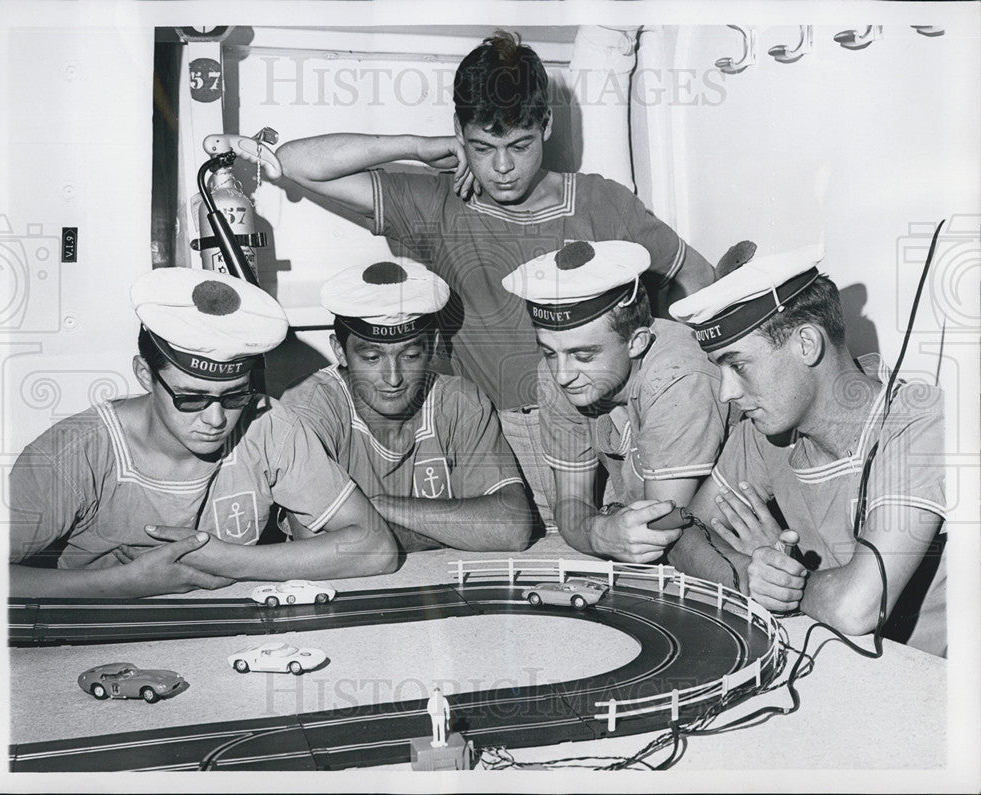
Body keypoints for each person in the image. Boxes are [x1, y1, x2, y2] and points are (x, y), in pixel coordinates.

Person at [248, 29, 714, 530]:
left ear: (547, 126)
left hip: (611, 424)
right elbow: (290, 162)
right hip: (500, 440)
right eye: (482, 147)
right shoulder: (437, 202)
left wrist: (655, 379)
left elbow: (698, 278)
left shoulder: (603, 202)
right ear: (459, 132)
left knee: (652, 540)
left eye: (519, 144)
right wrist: (418, 146)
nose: (503, 167)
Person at [9, 267, 398, 598]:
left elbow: (376, 548)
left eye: (234, 396)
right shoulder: (72, 452)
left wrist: (224, 557)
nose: (216, 419)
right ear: (145, 374)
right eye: (192, 399)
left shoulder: (268, 424)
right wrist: (123, 583)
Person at [667, 244, 947, 656]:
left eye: (738, 366)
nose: (726, 392)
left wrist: (788, 581)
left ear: (806, 344)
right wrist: (747, 572)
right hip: (838, 663)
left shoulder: (920, 420)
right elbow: (683, 528)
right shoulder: (761, 433)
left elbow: (858, 608)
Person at [502, 240, 732, 563]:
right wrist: (599, 533)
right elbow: (569, 505)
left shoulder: (677, 375)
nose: (563, 374)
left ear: (636, 342)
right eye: (550, 352)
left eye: (584, 355)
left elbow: (661, 532)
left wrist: (601, 526)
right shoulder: (561, 375)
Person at [280, 260, 531, 554]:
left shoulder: (460, 402)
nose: (393, 378)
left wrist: (374, 505)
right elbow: (314, 542)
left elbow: (512, 528)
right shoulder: (309, 406)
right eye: (372, 358)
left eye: (410, 355)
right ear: (340, 351)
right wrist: (460, 530)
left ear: (434, 344)